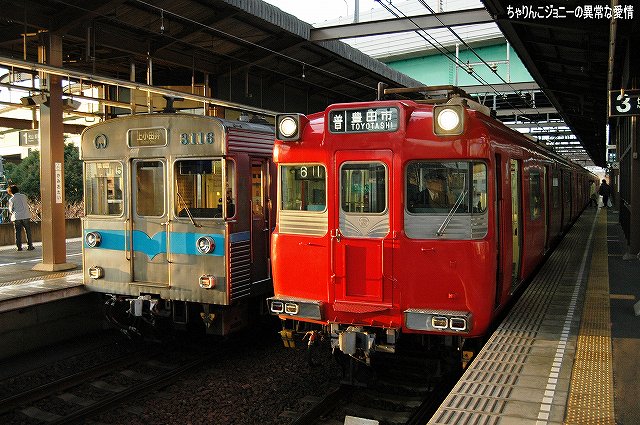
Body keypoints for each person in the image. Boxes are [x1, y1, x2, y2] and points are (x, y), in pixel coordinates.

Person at [7, 184, 35, 251]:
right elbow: (27, 204)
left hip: (17, 217)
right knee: (28, 231)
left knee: (18, 232)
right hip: (26, 216)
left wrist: (13, 212)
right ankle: (30, 246)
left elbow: (10, 209)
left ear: (10, 192)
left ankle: (19, 247)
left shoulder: (11, 199)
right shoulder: (24, 196)